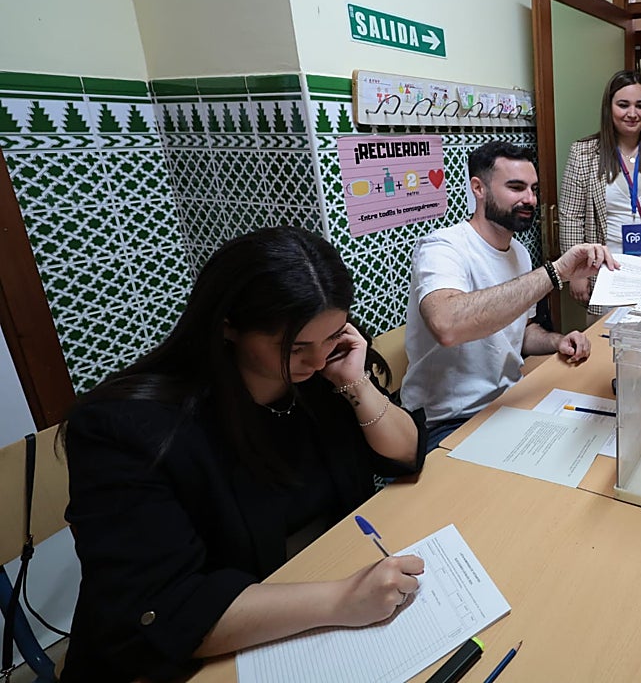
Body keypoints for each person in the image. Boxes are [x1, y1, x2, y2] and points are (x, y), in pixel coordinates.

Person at [59, 227, 428, 683]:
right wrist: (341, 600)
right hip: (188, 654)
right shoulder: (125, 429)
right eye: (295, 347)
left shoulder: (323, 374)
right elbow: (164, 611)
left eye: (332, 337)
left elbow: (405, 454)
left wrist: (354, 382)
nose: (315, 361)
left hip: (304, 589)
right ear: (228, 325)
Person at [403, 141, 616, 450]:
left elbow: (522, 332)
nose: (529, 199)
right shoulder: (442, 249)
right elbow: (447, 324)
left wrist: (557, 341)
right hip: (446, 421)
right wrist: (555, 273)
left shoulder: (518, 252)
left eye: (533, 189)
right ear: (478, 188)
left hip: (505, 402)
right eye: (516, 188)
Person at [559, 69, 641, 312]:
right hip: (604, 271)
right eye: (623, 105)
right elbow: (571, 216)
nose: (632, 114)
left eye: (640, 105)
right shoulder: (583, 153)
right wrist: (576, 272)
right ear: (609, 108)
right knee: (605, 342)